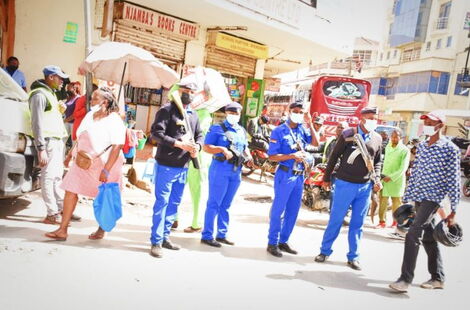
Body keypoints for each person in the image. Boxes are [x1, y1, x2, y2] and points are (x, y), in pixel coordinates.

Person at [389, 111, 461, 293]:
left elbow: (453, 179)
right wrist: (408, 197)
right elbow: (416, 172)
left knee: (413, 233)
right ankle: (438, 278)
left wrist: (453, 209)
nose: (427, 123)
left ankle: (405, 280)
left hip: (433, 198)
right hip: (419, 196)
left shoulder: (449, 149)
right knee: (429, 237)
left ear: (440, 125)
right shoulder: (422, 146)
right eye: (426, 121)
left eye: (431, 121)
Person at [45, 87, 126, 241]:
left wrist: (106, 170)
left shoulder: (114, 119)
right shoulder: (90, 115)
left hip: (106, 164)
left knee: (103, 195)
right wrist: (70, 155)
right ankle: (62, 230)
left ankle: (101, 229)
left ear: (105, 102)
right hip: (82, 161)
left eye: (95, 98)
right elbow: (81, 136)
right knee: (70, 190)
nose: (91, 101)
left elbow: (117, 146)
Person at [314, 107, 383, 270]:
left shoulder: (378, 138)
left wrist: (377, 178)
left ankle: (353, 257)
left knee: (358, 223)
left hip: (365, 187)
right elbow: (334, 157)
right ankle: (324, 251)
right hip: (345, 184)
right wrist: (326, 178)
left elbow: (378, 161)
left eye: (375, 117)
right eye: (370, 117)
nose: (374, 120)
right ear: (362, 118)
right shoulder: (348, 134)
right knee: (336, 219)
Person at [149, 82, 203, 258]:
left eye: (192, 92)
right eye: (185, 91)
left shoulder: (193, 114)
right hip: (166, 165)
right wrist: (178, 144)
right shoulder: (167, 110)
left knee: (174, 204)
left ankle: (165, 237)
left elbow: (200, 135)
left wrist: (197, 147)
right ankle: (156, 241)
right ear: (178, 92)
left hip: (183, 166)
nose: (188, 94)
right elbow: (156, 133)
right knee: (161, 203)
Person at [266, 101, 319, 257]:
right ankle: (272, 242)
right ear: (289, 112)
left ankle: (283, 240)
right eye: (295, 111)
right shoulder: (279, 131)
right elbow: (272, 156)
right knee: (278, 210)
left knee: (293, 211)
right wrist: (291, 156)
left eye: (300, 112)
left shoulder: (302, 129)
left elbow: (315, 143)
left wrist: (310, 123)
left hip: (299, 176)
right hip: (285, 174)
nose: (298, 114)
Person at [200, 102, 252, 247]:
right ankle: (207, 235)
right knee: (214, 203)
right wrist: (221, 149)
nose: (234, 116)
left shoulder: (241, 130)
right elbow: (206, 147)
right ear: (226, 113)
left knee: (226, 204)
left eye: (237, 114)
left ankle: (221, 234)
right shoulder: (217, 128)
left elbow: (245, 147)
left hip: (236, 171)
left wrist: (249, 157)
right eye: (231, 113)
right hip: (220, 169)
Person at [29, 65, 72, 225]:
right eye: (60, 78)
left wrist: (60, 111)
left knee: (56, 178)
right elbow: (37, 123)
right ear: (51, 77)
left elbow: (49, 118)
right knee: (48, 177)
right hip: (47, 142)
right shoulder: (39, 95)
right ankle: (52, 213)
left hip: (56, 141)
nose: (62, 82)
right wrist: (41, 149)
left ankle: (62, 209)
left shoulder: (50, 94)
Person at [185, 108, 212, 233]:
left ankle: (196, 222)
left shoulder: (201, 113)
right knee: (197, 191)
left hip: (198, 157)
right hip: (194, 154)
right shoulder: (202, 113)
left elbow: (200, 134)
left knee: (198, 191)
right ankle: (194, 222)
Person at [376, 130, 410, 228]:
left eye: (396, 137)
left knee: (396, 203)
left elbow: (403, 168)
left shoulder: (404, 150)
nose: (394, 139)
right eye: (393, 136)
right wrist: (382, 176)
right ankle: (382, 222)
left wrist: (391, 177)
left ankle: (395, 222)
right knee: (382, 202)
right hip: (384, 179)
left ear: (401, 138)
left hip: (396, 180)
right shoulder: (388, 147)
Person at [63, 82, 81, 147]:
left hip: (74, 123)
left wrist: (65, 120)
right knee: (62, 141)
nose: (67, 89)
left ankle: (73, 156)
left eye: (68, 88)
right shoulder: (70, 98)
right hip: (67, 122)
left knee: (74, 143)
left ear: (74, 88)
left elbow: (75, 113)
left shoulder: (78, 98)